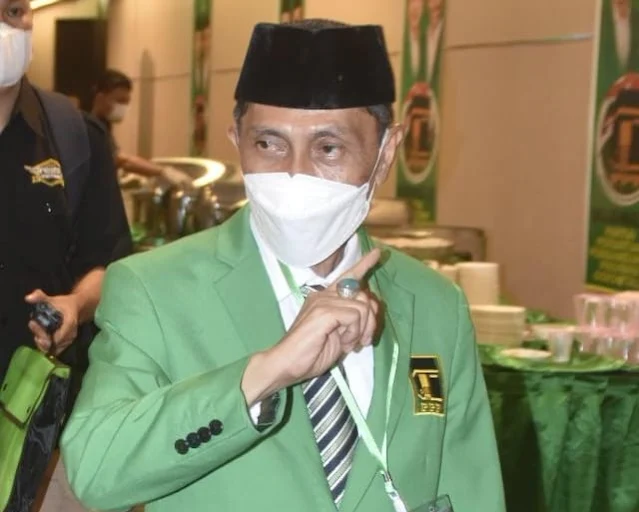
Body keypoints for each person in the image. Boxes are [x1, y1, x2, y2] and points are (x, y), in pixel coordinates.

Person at [61, 19, 506, 512]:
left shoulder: (434, 305)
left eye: (328, 148)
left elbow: (472, 490)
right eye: (268, 145)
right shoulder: (154, 289)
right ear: (236, 139)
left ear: (385, 154)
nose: (295, 173)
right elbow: (96, 472)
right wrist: (266, 373)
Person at [0, 0, 132, 509]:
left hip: (37, 414)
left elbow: (108, 262)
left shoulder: (74, 137)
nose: (6, 29)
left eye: (14, 12)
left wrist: (75, 305)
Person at [90, 69, 190, 185]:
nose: (123, 107)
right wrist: (163, 171)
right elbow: (121, 160)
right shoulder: (89, 128)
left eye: (126, 102)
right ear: (100, 98)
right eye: (120, 101)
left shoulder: (103, 128)